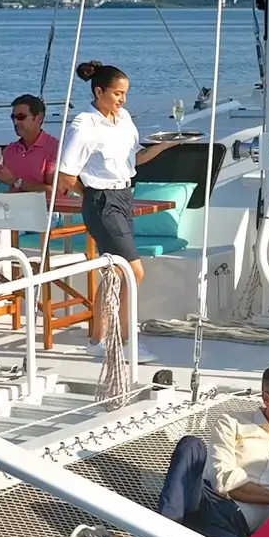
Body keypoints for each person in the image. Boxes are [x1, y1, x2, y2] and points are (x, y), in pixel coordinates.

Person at [63, 362, 269, 537]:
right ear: (267, 398)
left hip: (239, 528)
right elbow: (226, 483)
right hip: (207, 501)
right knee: (191, 446)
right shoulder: (231, 422)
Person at [54, 61, 177, 352]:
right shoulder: (85, 124)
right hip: (101, 201)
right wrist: (93, 195)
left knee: (114, 271)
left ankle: (100, 339)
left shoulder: (124, 120)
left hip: (123, 198)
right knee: (134, 271)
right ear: (99, 91)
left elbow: (135, 159)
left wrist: (168, 145)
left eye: (125, 94)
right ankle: (123, 339)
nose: (122, 99)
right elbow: (66, 175)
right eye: (118, 93)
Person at [0, 93, 59, 194]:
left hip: (38, 208)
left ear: (39, 118)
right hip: (9, 207)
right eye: (13, 117)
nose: (15, 122)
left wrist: (16, 181)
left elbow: (55, 191)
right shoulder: (10, 150)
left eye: (21, 117)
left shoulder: (54, 149)